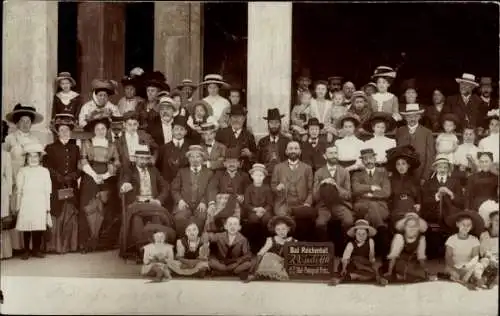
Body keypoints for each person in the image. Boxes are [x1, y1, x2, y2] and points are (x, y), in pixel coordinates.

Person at [119, 145, 175, 261]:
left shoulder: (153, 170)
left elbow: (165, 186)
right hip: (137, 203)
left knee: (157, 217)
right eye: (141, 158)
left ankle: (158, 249)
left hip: (153, 203)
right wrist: (124, 186)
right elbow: (124, 183)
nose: (143, 161)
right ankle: (141, 249)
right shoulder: (129, 171)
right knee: (136, 220)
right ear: (135, 159)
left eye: (145, 158)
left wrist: (159, 200)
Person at [4, 104, 45, 253]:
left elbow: (39, 159)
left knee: (29, 211)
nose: (25, 124)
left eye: (28, 121)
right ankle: (16, 246)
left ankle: (30, 247)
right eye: (22, 121)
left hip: (30, 181)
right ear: (17, 122)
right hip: (13, 179)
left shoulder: (35, 139)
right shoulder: (10, 138)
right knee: (15, 209)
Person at [78, 110, 120, 253]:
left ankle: (102, 243)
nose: (101, 131)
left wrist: (106, 175)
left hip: (107, 178)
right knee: (88, 207)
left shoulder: (112, 145)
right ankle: (87, 243)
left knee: (105, 208)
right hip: (90, 177)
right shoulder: (87, 143)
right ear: (93, 130)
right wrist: (94, 175)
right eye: (98, 129)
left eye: (103, 128)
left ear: (107, 130)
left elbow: (116, 162)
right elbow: (83, 160)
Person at [43, 114, 80, 254]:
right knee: (57, 214)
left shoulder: (75, 148)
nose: (65, 132)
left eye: (67, 130)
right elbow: (47, 166)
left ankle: (69, 246)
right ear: (57, 132)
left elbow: (79, 168)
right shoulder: (50, 148)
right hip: (56, 186)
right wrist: (59, 177)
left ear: (71, 132)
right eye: (62, 130)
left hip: (71, 186)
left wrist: (72, 176)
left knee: (70, 214)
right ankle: (55, 246)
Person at [351, 148, 391, 257]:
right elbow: (355, 189)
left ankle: (366, 250)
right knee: (371, 206)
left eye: (370, 158)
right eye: (365, 159)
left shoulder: (383, 173)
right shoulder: (356, 175)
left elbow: (386, 192)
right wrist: (372, 187)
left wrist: (369, 195)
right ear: (362, 161)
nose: (368, 161)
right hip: (361, 206)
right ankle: (381, 233)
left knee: (371, 208)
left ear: (375, 158)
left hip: (380, 207)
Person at [15, 142, 52, 260]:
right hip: (26, 201)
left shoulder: (44, 171)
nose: (33, 159)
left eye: (36, 156)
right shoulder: (23, 171)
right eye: (30, 156)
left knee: (38, 226)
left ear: (39, 157)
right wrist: (18, 205)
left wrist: (48, 208)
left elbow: (47, 191)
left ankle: (36, 249)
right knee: (26, 226)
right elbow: (19, 190)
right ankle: (26, 250)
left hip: (40, 201)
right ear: (26, 158)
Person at [313, 145, 353, 241]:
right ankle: (325, 247)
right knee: (320, 224)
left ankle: (344, 246)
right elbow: (314, 196)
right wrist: (322, 184)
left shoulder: (344, 172)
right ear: (325, 156)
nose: (334, 155)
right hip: (323, 205)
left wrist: (336, 185)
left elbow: (348, 195)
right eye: (331, 153)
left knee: (349, 221)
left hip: (340, 204)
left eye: (335, 153)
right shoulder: (319, 172)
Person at [171, 145, 213, 236]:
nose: (195, 159)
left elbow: (211, 190)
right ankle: (182, 241)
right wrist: (180, 201)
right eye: (192, 156)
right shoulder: (182, 172)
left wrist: (204, 202)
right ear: (188, 159)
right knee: (179, 218)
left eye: (198, 156)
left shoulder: (209, 173)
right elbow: (174, 189)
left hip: (201, 204)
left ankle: (199, 243)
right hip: (184, 203)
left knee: (202, 217)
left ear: (202, 159)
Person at [329, 219, 385, 286]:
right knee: (350, 267)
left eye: (364, 234)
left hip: (364, 265)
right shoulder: (351, 244)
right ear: (355, 234)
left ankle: (376, 278)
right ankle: (340, 279)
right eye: (359, 234)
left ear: (367, 234)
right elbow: (345, 258)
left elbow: (371, 257)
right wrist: (344, 268)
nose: (361, 236)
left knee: (372, 273)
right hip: (352, 264)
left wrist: (373, 267)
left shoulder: (370, 242)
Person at [384, 213, 437, 283]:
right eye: (409, 226)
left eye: (414, 226)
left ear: (418, 228)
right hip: (399, 261)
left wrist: (426, 271)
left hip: (412, 261)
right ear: (404, 227)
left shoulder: (421, 238)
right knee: (402, 272)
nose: (412, 229)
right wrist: (389, 272)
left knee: (418, 272)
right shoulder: (399, 237)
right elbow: (393, 256)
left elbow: (421, 257)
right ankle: (399, 275)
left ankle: (408, 275)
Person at [246, 215, 297, 282]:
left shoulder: (294, 241)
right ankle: (265, 274)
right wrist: (254, 271)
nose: (281, 231)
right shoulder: (271, 240)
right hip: (273, 264)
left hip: (286, 265)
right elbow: (260, 254)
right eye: (278, 229)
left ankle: (279, 275)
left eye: (283, 229)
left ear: (288, 229)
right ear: (274, 230)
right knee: (268, 255)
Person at [207, 147, 251, 223]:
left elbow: (249, 190)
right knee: (212, 210)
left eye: (234, 162)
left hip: (238, 205)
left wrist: (243, 197)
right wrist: (212, 203)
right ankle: (213, 230)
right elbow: (212, 188)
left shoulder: (244, 176)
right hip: (220, 205)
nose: (231, 164)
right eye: (229, 162)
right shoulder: (218, 174)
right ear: (224, 164)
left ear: (239, 164)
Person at [271, 141, 314, 218]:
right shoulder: (278, 167)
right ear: (286, 152)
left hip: (301, 203)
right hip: (283, 204)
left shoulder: (307, 168)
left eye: (296, 148)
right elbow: (273, 186)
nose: (293, 151)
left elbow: (311, 190)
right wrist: (277, 188)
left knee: (304, 219)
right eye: (290, 149)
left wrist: (307, 203)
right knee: (283, 221)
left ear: (300, 151)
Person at [444, 210, 485, 290]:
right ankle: (461, 280)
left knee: (478, 267)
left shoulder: (474, 240)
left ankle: (470, 280)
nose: (466, 227)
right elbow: (448, 257)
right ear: (457, 224)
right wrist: (455, 268)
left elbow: (475, 257)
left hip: (468, 266)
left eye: (469, 225)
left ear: (471, 227)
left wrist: (467, 268)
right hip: (454, 266)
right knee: (452, 272)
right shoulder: (452, 239)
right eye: (463, 224)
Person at [395, 103, 435, 184]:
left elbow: (430, 156)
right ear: (405, 118)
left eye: (415, 116)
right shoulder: (400, 131)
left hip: (420, 172)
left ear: (419, 117)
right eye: (409, 116)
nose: (412, 119)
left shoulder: (427, 132)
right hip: (403, 174)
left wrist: (425, 176)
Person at [386, 145, 421, 225]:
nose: (401, 167)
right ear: (395, 166)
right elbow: (389, 197)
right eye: (398, 164)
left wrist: (419, 204)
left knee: (413, 221)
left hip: (411, 205)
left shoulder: (414, 179)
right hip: (397, 206)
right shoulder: (391, 179)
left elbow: (419, 194)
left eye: (403, 164)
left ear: (408, 165)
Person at [215, 105, 257, 173]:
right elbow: (215, 152)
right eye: (234, 117)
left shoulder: (249, 135)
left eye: (239, 117)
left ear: (244, 119)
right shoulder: (221, 133)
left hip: (243, 171)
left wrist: (249, 154)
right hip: (225, 171)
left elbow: (256, 154)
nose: (236, 120)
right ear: (230, 118)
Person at [242, 163, 274, 252]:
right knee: (254, 219)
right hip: (253, 210)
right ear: (252, 176)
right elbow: (246, 204)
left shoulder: (267, 188)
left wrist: (263, 210)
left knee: (267, 219)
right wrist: (255, 209)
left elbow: (270, 203)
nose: (258, 177)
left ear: (264, 177)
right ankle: (254, 245)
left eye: (261, 175)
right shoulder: (249, 188)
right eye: (256, 175)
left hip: (265, 210)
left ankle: (266, 244)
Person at [155, 115, 192, 184]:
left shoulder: (190, 148)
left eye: (182, 129)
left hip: (185, 185)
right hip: (168, 185)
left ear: (186, 132)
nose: (179, 132)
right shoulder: (163, 148)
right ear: (172, 131)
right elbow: (158, 168)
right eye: (176, 129)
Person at [257, 108, 290, 177]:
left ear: (280, 124)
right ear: (268, 124)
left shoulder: (287, 141)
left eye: (276, 122)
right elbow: (258, 161)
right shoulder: (262, 142)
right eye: (271, 123)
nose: (274, 125)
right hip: (265, 176)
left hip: (283, 176)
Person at [477, 201, 499, 289]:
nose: (498, 222)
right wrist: (491, 258)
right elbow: (484, 252)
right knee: (484, 262)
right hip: (489, 259)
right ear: (491, 221)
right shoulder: (484, 235)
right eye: (496, 220)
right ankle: (483, 279)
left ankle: (493, 279)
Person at [1, 120, 13, 259]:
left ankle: (3, 252)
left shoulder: (5, 155)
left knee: (2, 220)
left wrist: (9, 195)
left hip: (2, 190)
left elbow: (9, 177)